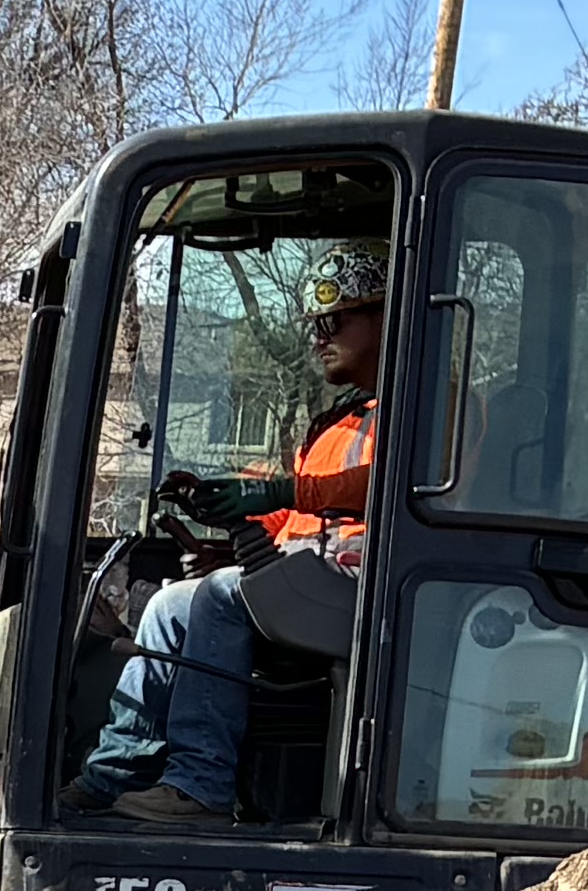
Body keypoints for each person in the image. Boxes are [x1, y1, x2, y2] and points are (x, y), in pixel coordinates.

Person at [65, 255, 385, 827]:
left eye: (333, 323)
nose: (319, 339)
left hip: (372, 586)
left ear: (386, 320)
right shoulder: (338, 420)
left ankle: (202, 784)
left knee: (218, 596)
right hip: (312, 575)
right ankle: (116, 774)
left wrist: (275, 494)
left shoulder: (429, 408)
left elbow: (379, 486)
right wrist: (230, 511)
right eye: (313, 326)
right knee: (169, 604)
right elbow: (293, 510)